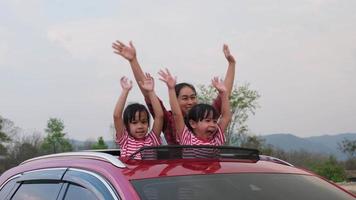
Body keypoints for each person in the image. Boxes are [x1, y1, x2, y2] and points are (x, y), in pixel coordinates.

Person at [112, 40, 236, 145]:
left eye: (193, 97)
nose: (190, 102)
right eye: (185, 98)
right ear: (175, 101)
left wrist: (231, 64)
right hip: (177, 170)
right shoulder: (169, 119)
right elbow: (148, 93)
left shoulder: (205, 116)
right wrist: (133, 61)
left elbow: (224, 95)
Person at [159, 68, 232, 146]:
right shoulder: (187, 138)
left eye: (214, 121)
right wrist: (171, 89)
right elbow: (177, 115)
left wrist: (224, 93)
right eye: (207, 121)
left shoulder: (217, 138)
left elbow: (225, 117)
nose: (212, 124)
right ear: (193, 124)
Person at [113, 74, 164, 160]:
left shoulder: (152, 139)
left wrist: (151, 91)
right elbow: (117, 116)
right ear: (126, 125)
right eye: (134, 122)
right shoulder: (125, 140)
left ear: (148, 124)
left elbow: (159, 116)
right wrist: (125, 91)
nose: (140, 126)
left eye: (144, 122)